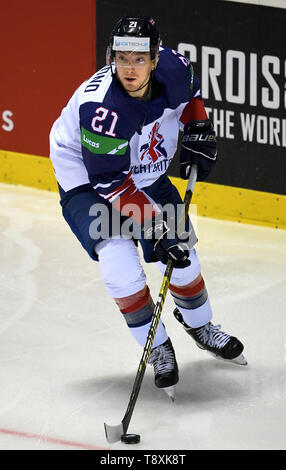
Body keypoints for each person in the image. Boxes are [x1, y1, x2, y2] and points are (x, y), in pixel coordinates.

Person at [49, 15, 247, 399]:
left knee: (182, 256)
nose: (130, 68)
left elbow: (190, 99)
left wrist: (198, 127)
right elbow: (109, 181)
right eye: (122, 58)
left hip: (142, 168)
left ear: (155, 59)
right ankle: (156, 347)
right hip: (88, 179)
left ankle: (200, 327)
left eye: (139, 59)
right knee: (119, 259)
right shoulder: (102, 111)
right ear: (112, 58)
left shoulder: (175, 68)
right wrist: (156, 226)